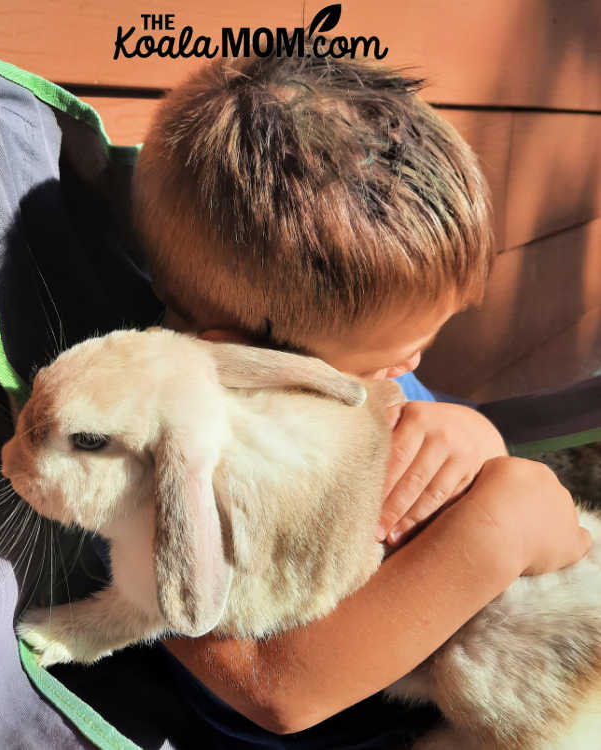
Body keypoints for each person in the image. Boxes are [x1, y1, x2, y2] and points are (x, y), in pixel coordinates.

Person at [126, 45, 592, 745]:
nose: (407, 368)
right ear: (244, 355)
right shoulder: (171, 464)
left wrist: (477, 442)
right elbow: (276, 688)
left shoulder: (349, 379)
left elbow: (562, 536)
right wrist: (496, 529)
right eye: (386, 360)